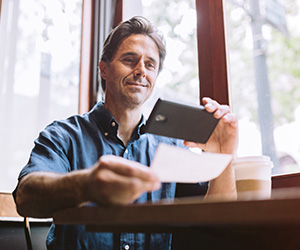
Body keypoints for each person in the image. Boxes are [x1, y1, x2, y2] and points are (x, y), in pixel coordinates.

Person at [13, 16, 238, 250]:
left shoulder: (170, 147)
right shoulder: (63, 135)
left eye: (150, 64)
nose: (141, 70)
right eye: (130, 60)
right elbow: (26, 197)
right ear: (104, 69)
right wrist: (86, 186)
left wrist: (223, 156)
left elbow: (217, 218)